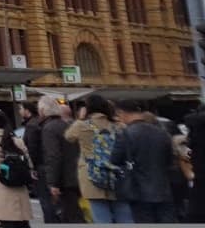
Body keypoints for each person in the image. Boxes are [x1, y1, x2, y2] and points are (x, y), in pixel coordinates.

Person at [64, 94, 129, 224]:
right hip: (116, 174)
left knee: (101, 217)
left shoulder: (82, 126)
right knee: (124, 214)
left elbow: (68, 136)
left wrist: (81, 118)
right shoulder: (119, 126)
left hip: (92, 175)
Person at [114, 98, 177, 223]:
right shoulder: (162, 133)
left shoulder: (125, 134)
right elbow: (170, 160)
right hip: (163, 189)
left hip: (138, 190)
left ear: (122, 113)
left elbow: (115, 160)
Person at [36, 95, 80, 224]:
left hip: (63, 179)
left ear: (43, 111)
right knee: (74, 213)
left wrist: (52, 183)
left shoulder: (49, 128)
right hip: (74, 175)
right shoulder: (66, 125)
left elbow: (53, 156)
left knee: (69, 215)